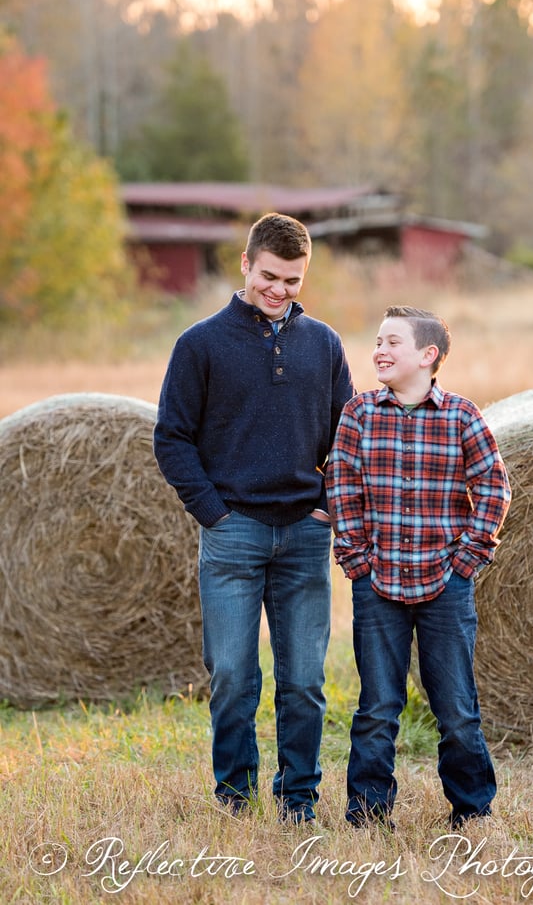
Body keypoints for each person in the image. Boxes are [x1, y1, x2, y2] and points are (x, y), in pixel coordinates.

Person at [153, 212, 355, 824]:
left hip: (302, 535)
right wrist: (212, 512)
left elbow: (347, 436)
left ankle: (299, 800)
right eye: (270, 275)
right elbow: (172, 438)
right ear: (245, 265)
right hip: (232, 531)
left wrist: (332, 501)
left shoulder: (323, 344)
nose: (280, 290)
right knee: (234, 676)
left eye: (292, 280)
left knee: (304, 682)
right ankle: (235, 800)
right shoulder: (200, 344)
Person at [325, 305, 510, 830]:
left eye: (392, 342)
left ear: (428, 356)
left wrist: (469, 558)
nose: (379, 350)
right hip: (378, 581)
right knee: (377, 708)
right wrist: (357, 559)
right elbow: (342, 487)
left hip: (444, 583)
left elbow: (494, 486)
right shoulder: (359, 414)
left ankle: (472, 810)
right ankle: (367, 815)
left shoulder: (461, 415)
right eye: (377, 341)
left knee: (455, 708)